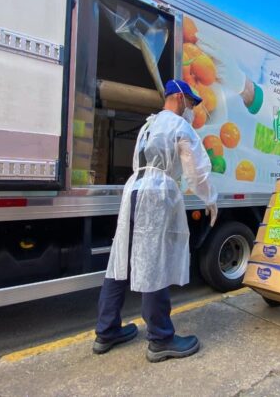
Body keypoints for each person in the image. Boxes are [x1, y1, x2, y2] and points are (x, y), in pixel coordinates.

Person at [93, 79, 218, 362]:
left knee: (120, 259)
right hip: (156, 194)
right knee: (153, 261)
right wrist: (210, 199)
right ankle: (161, 339)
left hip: (133, 190)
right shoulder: (178, 126)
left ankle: (106, 330)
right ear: (179, 97)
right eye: (192, 102)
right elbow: (196, 171)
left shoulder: (148, 125)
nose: (193, 108)